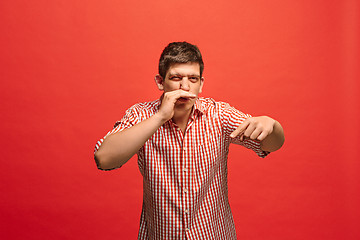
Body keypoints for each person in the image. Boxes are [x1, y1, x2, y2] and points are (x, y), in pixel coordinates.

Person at [94, 41, 285, 239]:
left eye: (193, 79)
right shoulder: (141, 115)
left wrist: (272, 125)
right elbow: (104, 159)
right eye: (176, 78)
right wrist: (160, 117)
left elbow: (271, 144)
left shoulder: (219, 115)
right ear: (160, 82)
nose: (185, 86)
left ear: (201, 84)